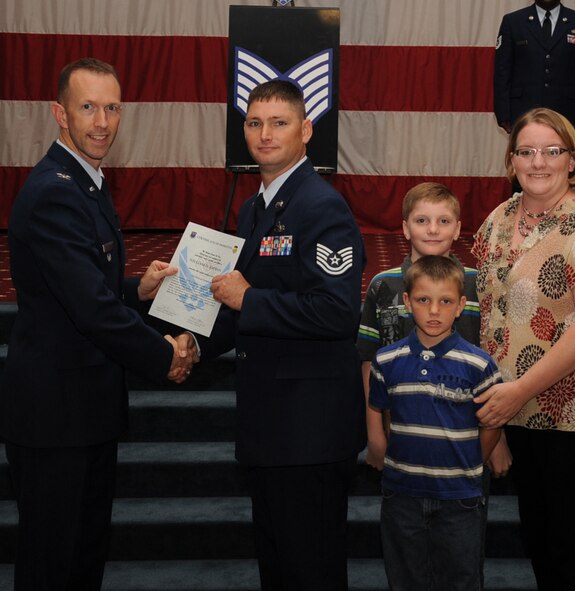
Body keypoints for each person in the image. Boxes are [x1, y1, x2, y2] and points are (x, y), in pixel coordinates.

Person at [0, 57, 196, 591]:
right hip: (54, 415)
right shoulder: (55, 191)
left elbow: (86, 288)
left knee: (83, 556)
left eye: (111, 108)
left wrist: (139, 289)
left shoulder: (85, 182)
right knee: (52, 563)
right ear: (59, 113)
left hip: (82, 409)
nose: (102, 121)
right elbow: (89, 309)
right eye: (88, 107)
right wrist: (165, 355)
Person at [199, 79, 366, 590]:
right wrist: (190, 344)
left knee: (309, 570)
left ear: (305, 130)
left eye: (279, 122)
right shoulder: (254, 209)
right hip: (271, 428)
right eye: (254, 123)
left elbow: (335, 313)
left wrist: (248, 298)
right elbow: (239, 311)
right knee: (279, 569)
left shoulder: (321, 206)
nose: (265, 134)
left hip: (309, 433)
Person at [471, 107, 575, 590]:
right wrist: (499, 418)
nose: (538, 161)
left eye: (552, 151)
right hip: (515, 408)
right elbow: (488, 320)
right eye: (526, 151)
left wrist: (516, 393)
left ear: (572, 160)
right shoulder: (499, 219)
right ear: (511, 161)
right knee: (539, 537)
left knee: (571, 545)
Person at [357, 181, 512, 476]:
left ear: (457, 229)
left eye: (443, 221)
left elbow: (495, 358)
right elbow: (369, 361)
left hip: (468, 429)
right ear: (405, 228)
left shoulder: (479, 285)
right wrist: (375, 433)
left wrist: (498, 435)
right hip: (402, 429)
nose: (432, 230)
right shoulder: (383, 285)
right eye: (421, 221)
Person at [368, 255, 504, 591]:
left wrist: (470, 463)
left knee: (460, 579)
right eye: (423, 300)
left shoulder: (480, 364)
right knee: (405, 578)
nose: (433, 311)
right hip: (403, 496)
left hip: (459, 498)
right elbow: (380, 409)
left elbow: (491, 424)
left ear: (460, 306)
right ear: (407, 302)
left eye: (445, 302)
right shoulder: (386, 360)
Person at [493, 0, 575, 140]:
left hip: (566, 113)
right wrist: (503, 113)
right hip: (523, 111)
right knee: (525, 158)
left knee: (560, 159)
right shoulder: (513, 21)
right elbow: (502, 71)